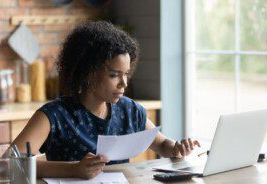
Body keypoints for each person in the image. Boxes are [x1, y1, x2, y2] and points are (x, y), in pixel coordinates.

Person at [12, 21, 200, 179]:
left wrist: (177, 147)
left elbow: (162, 145)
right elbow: (12, 163)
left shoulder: (129, 110)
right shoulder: (55, 115)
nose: (123, 83)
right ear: (88, 73)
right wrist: (73, 169)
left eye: (126, 74)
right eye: (114, 75)